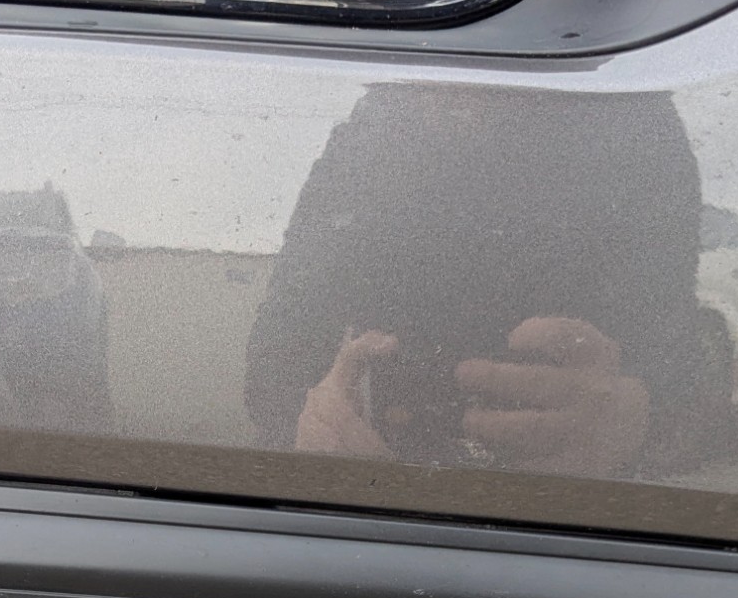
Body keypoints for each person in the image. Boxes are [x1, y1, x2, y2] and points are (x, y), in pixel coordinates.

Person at [245, 84, 700, 478]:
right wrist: (314, 419)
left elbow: (675, 357)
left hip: (569, 506)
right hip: (376, 495)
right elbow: (276, 359)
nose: (456, 98)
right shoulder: (374, 129)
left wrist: (636, 415)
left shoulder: (633, 122)